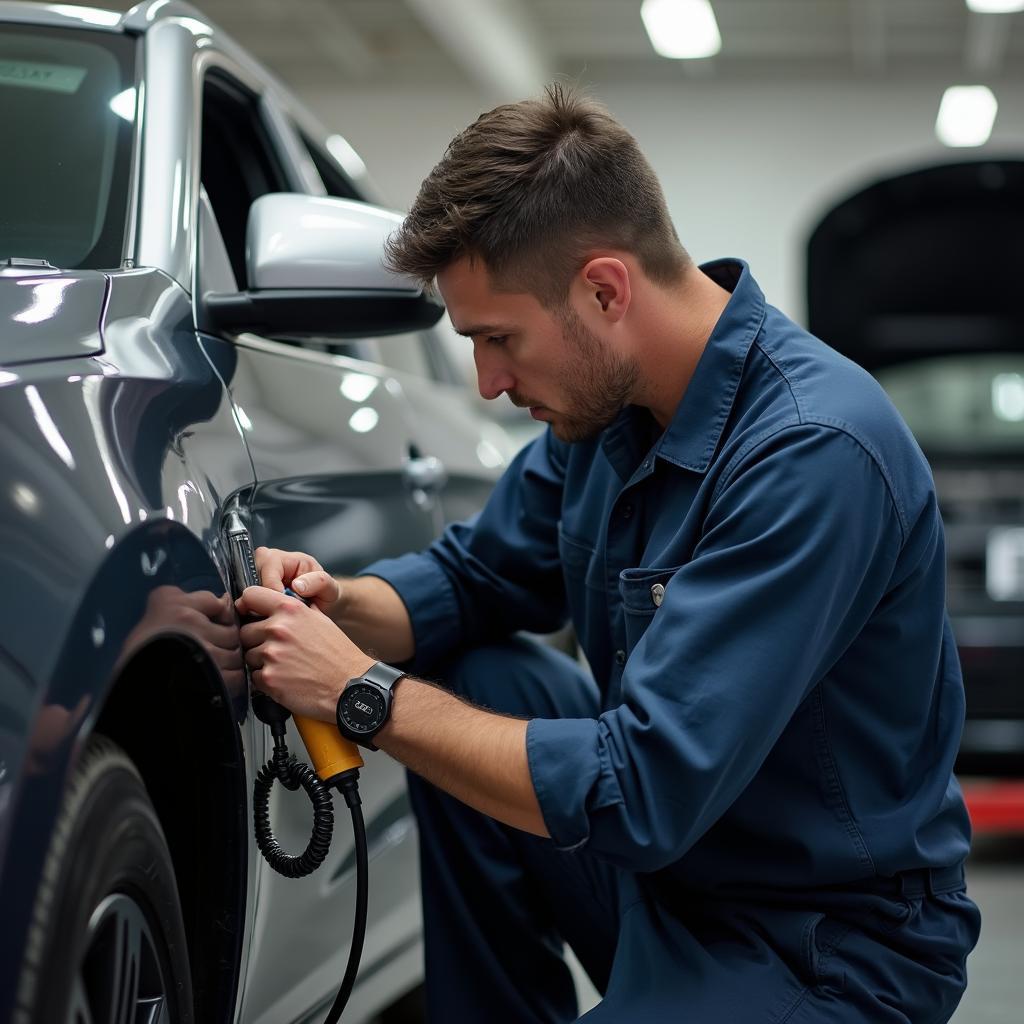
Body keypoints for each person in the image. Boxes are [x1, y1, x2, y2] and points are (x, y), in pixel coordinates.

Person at [236, 84, 980, 1022]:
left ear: (604, 289)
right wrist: (331, 605)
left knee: (432, 708)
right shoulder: (603, 415)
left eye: (498, 339)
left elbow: (643, 789)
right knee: (482, 674)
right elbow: (473, 580)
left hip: (822, 946)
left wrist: (358, 691)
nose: (489, 382)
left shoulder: (813, 451)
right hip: (667, 884)